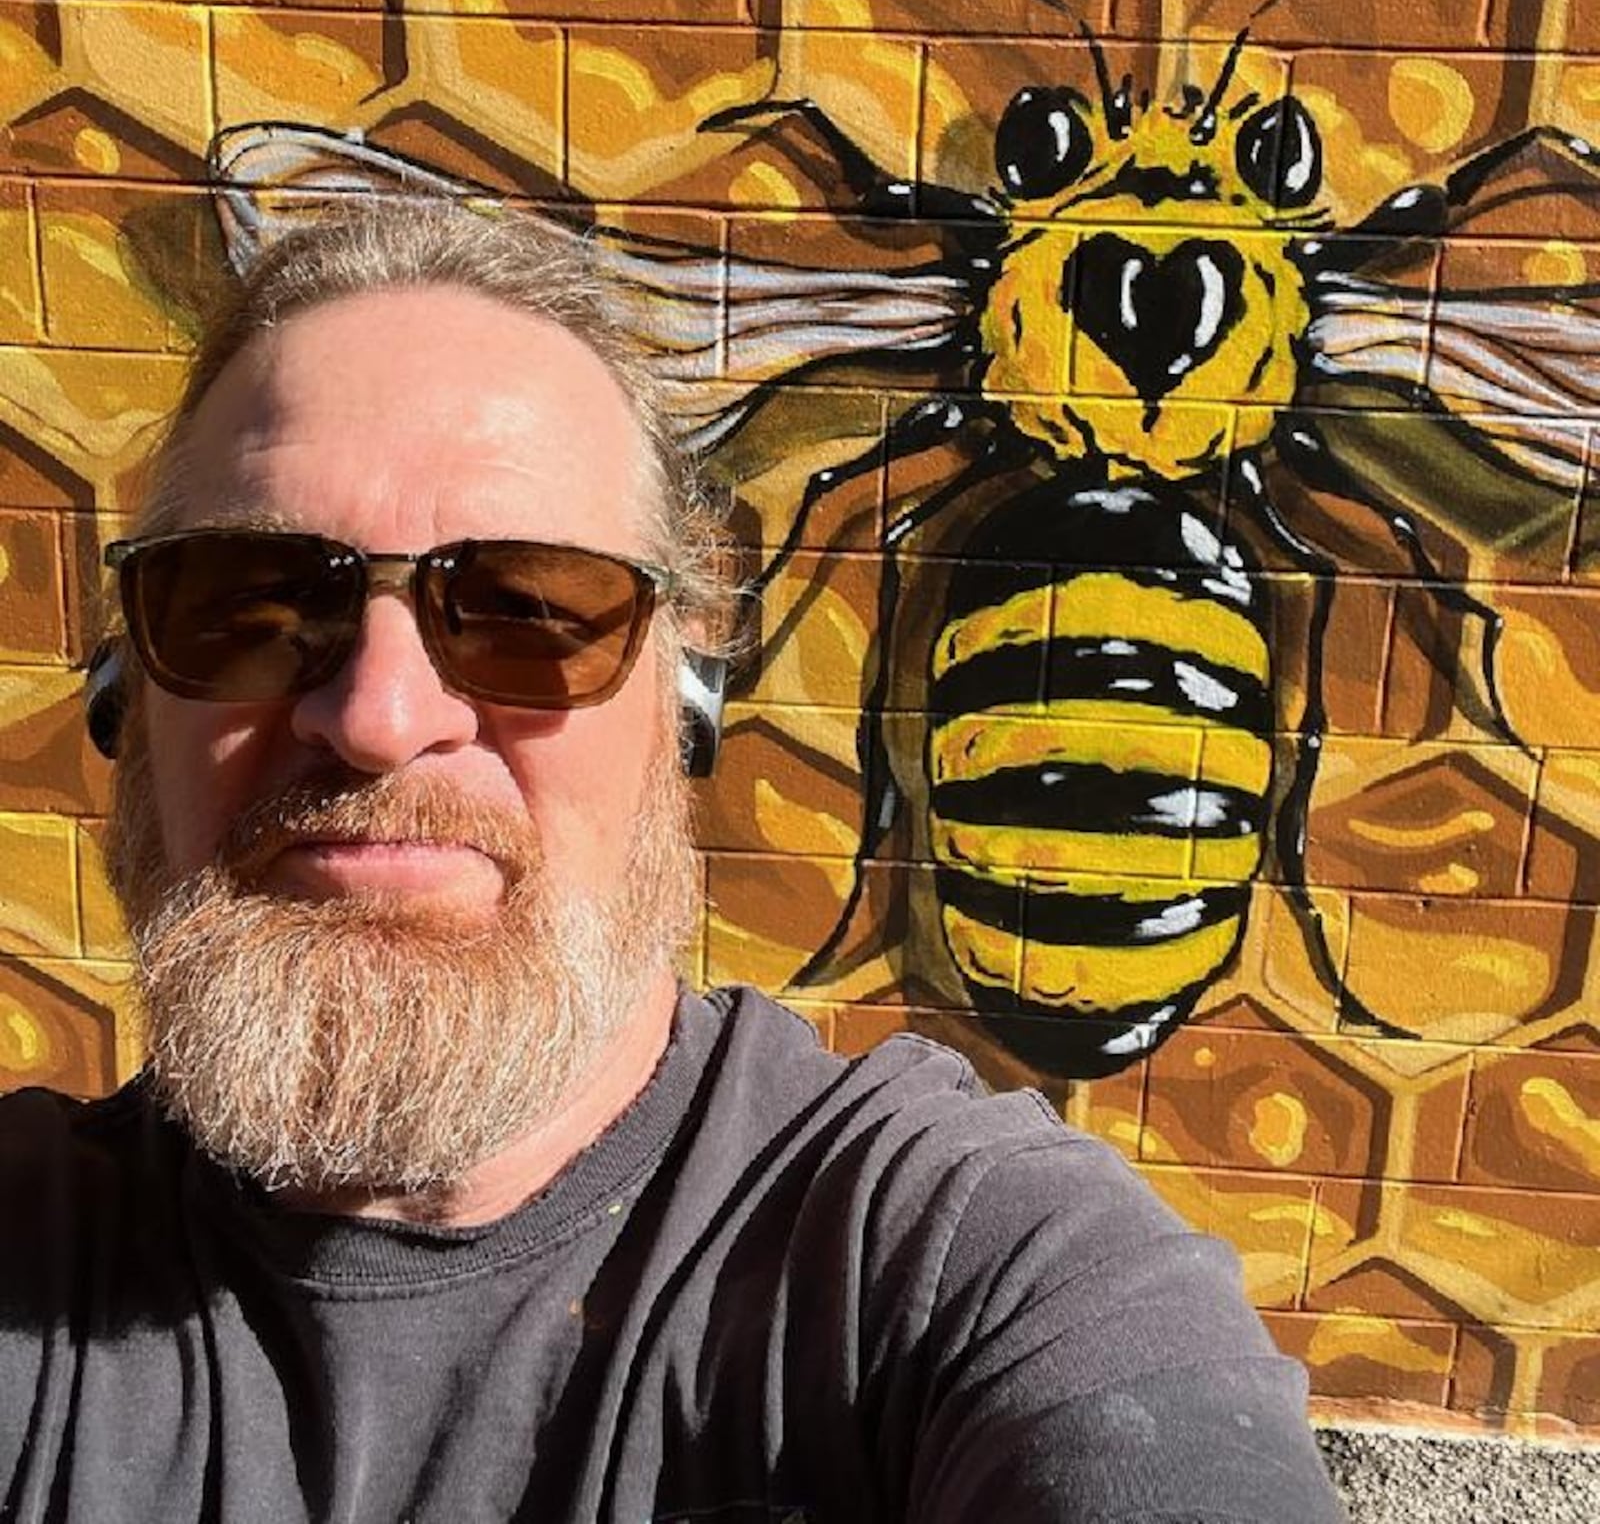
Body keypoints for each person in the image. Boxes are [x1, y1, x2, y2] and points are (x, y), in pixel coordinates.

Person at [0, 198, 1346, 1522]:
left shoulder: (953, 1258)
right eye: (247, 601)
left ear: (682, 706)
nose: (380, 716)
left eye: (528, 611)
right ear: (128, 694)